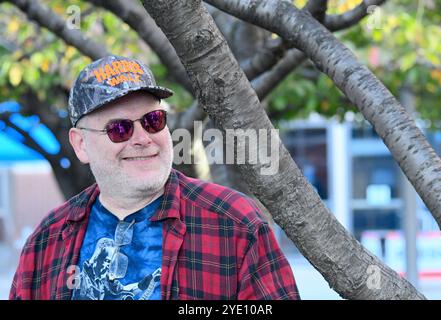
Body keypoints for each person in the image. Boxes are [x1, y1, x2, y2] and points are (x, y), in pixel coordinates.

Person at [9, 55, 300, 300]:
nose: (143, 139)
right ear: (81, 144)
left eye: (152, 121)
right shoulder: (46, 240)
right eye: (119, 129)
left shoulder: (235, 223)